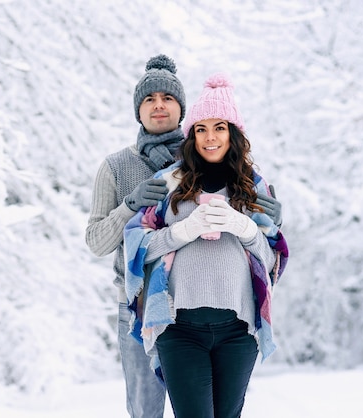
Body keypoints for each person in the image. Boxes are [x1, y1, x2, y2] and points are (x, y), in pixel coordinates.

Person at [86, 55, 284, 418]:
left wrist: (259, 225)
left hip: (227, 315)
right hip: (148, 306)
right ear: (138, 110)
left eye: (168, 98)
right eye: (148, 99)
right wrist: (131, 206)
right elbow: (101, 241)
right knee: (146, 410)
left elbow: (271, 249)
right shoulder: (125, 168)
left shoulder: (215, 162)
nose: (158, 105)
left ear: (182, 111)